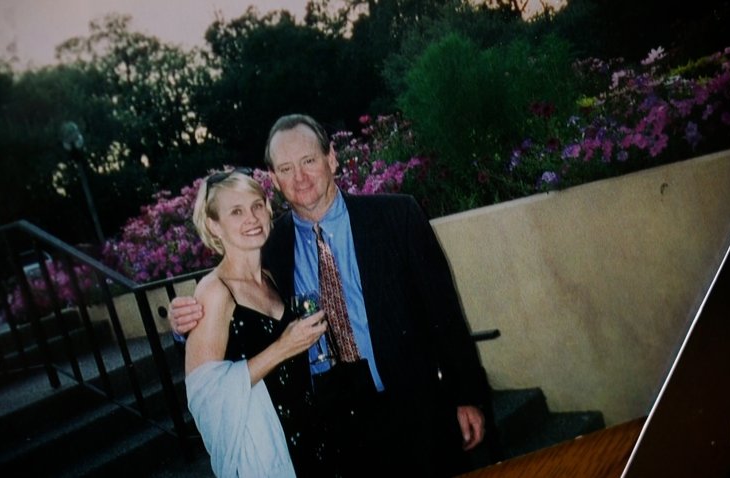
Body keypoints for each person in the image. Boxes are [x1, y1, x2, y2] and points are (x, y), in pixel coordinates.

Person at [173, 114, 492, 477]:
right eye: (287, 169)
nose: (301, 177)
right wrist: (186, 323)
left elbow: (444, 315)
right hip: (329, 432)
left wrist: (467, 396)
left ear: (331, 158)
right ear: (275, 180)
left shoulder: (397, 216)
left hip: (414, 410)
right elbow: (235, 313)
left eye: (308, 161)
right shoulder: (271, 246)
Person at [183, 168, 336, 478]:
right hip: (268, 452)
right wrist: (283, 348)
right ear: (215, 225)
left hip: (311, 437)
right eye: (236, 211)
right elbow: (204, 397)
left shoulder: (270, 277)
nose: (251, 217)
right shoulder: (215, 291)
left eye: (256, 205)